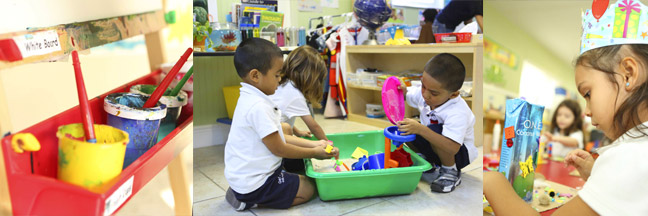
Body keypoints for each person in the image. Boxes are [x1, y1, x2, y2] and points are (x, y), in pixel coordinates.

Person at [485, 1, 648, 212]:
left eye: (588, 94)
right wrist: (597, 172)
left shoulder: (631, 156)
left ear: (628, 73)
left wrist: (493, 183)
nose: (587, 110)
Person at [224, 38, 339, 211]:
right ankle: (250, 200)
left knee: (300, 175)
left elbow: (281, 137)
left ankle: (244, 193)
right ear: (255, 76)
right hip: (256, 183)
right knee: (308, 189)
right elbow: (280, 149)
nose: (280, 80)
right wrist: (314, 152)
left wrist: (316, 144)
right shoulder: (258, 107)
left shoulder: (251, 98)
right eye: (277, 75)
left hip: (244, 178)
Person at [397, 53, 477, 193]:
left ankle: (450, 171)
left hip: (459, 154)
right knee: (405, 127)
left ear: (453, 94)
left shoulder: (457, 111)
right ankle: (428, 162)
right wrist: (399, 89)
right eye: (423, 86)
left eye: (434, 93)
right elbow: (407, 93)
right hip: (436, 144)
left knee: (432, 129)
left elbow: (452, 147)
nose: (425, 95)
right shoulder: (426, 94)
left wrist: (421, 130)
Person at [270, 45, 329, 172]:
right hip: (275, 145)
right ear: (310, 77)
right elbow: (314, 126)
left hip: (274, 135)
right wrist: (327, 143)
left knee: (288, 131)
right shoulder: (294, 94)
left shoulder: (285, 84)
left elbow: (282, 115)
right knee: (300, 166)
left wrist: (298, 132)